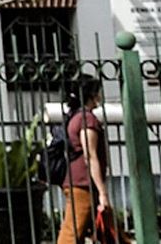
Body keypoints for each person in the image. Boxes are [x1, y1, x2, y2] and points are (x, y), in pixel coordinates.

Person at [56, 75, 107, 244]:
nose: (99, 96)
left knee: (105, 231)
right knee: (70, 236)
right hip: (83, 184)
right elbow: (90, 156)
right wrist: (102, 192)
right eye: (97, 92)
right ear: (91, 95)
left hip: (75, 182)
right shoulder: (87, 119)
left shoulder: (74, 117)